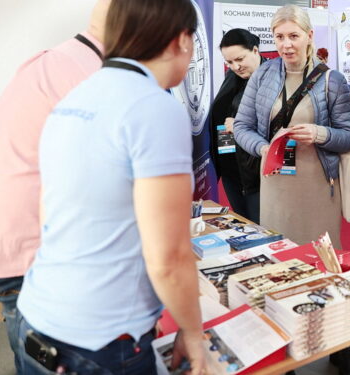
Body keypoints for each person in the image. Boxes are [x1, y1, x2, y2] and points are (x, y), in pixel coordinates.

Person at [14, 0, 207, 373]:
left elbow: (48, 214)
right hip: (99, 344)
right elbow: (169, 258)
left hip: (37, 320)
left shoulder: (74, 98)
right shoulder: (153, 105)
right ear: (182, 40)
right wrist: (193, 333)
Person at [0, 1, 109, 369]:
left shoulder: (61, 62)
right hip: (29, 253)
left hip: (17, 244)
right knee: (44, 358)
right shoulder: (88, 75)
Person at [233, 5, 350, 248]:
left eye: (293, 36)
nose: (286, 45)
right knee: (278, 255)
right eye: (279, 37)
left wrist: (318, 133)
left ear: (309, 36)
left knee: (319, 257)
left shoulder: (332, 80)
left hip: (318, 185)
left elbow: (349, 136)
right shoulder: (262, 75)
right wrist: (262, 148)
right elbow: (241, 126)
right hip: (274, 182)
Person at [210, 29, 266, 222]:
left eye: (240, 59)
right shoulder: (232, 77)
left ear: (256, 51)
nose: (235, 66)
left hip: (257, 172)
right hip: (230, 165)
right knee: (243, 223)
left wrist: (242, 126)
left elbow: (282, 125)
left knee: (262, 227)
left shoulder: (273, 79)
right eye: (229, 62)